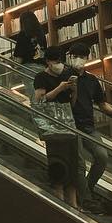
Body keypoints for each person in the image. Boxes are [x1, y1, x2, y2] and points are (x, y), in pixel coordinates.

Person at [66, 41, 112, 213]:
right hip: (70, 125)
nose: (78, 60)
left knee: (102, 156)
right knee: (79, 164)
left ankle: (86, 191)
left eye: (81, 57)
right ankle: (87, 200)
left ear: (87, 59)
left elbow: (102, 104)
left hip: (88, 126)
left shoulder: (91, 80)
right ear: (69, 57)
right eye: (75, 57)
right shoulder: (64, 76)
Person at [32, 46, 81, 207]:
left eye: (60, 62)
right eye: (55, 62)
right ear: (47, 62)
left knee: (73, 162)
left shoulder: (67, 75)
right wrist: (59, 88)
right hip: (53, 126)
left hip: (68, 123)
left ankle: (73, 202)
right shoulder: (41, 77)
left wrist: (74, 91)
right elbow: (39, 101)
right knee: (57, 161)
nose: (58, 65)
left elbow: (72, 103)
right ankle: (59, 199)